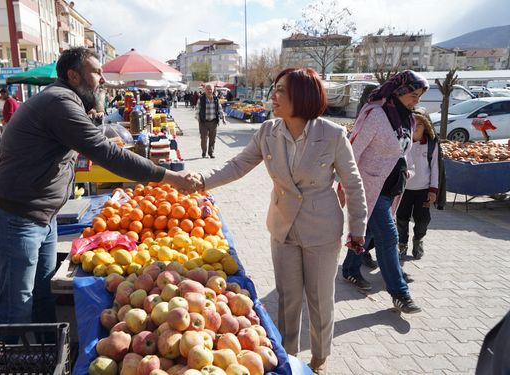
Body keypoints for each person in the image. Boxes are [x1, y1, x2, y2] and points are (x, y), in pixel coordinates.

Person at [0, 47, 195, 326]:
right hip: (18, 217)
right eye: (96, 72)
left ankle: (47, 354)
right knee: (16, 307)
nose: (102, 79)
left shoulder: (64, 100)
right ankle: (8, 361)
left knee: (44, 296)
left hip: (43, 216)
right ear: (73, 76)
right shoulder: (58, 102)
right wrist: (169, 177)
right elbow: (106, 153)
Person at [188, 68, 367, 373]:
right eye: (275, 89)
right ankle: (289, 358)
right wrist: (202, 180)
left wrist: (358, 228)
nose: (274, 96)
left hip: (321, 229)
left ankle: (320, 359)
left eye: (281, 90)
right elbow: (239, 164)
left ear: (303, 95)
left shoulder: (333, 135)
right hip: (283, 227)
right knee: (287, 299)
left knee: (321, 300)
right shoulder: (268, 132)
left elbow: (353, 183)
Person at [340, 70, 428, 314]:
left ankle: (349, 269)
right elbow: (353, 150)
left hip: (392, 187)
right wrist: (342, 186)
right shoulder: (376, 115)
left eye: (419, 96)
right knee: (388, 237)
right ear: (399, 91)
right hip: (370, 187)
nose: (416, 100)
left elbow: (403, 151)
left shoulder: (408, 118)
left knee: (368, 231)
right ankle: (400, 293)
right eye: (412, 94)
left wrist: (406, 170)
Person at [396, 112, 439, 260]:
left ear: (426, 126)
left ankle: (418, 240)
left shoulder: (431, 145)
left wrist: (433, 190)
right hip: (404, 190)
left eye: (419, 124)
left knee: (422, 220)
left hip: (423, 191)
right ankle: (402, 244)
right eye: (413, 123)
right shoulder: (402, 141)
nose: (416, 127)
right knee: (401, 218)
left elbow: (435, 169)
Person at [196, 84, 227, 158]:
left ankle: (211, 153)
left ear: (213, 90)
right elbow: (197, 110)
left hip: (213, 122)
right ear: (205, 90)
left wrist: (223, 118)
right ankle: (204, 152)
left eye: (211, 89)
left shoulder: (216, 99)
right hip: (203, 122)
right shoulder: (201, 99)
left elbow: (220, 109)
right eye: (208, 89)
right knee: (204, 138)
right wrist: (199, 120)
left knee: (213, 139)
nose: (209, 91)